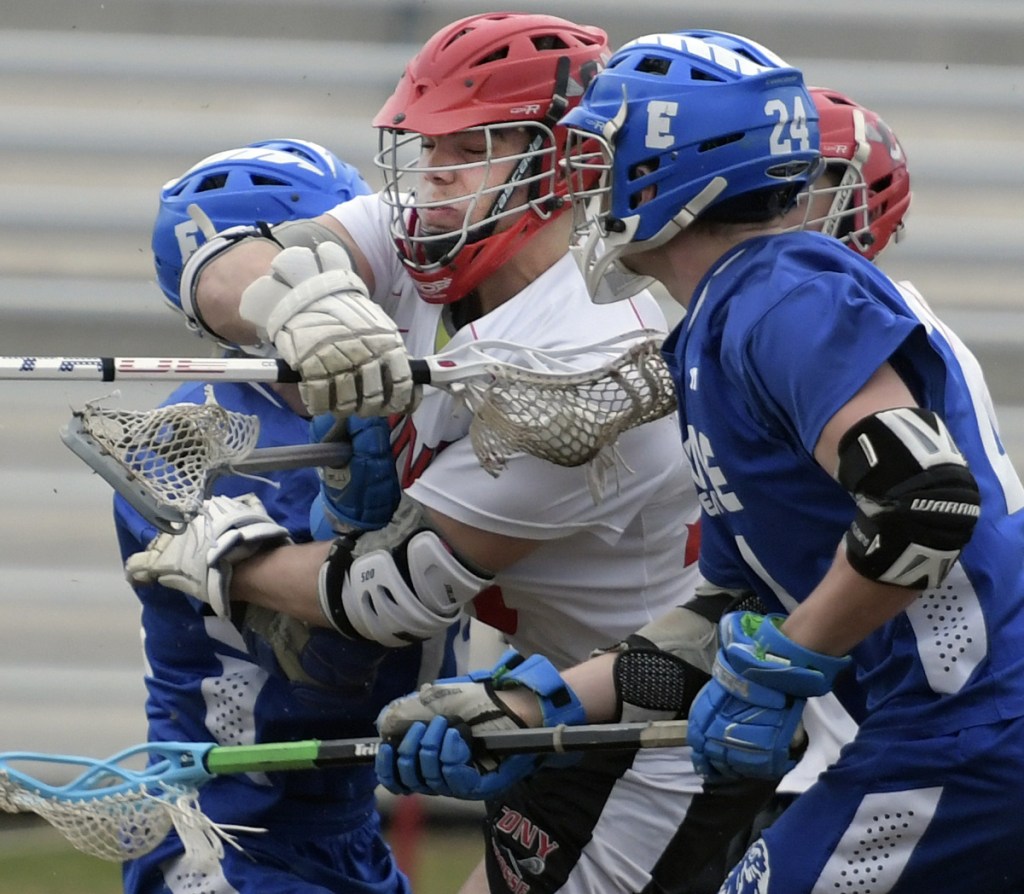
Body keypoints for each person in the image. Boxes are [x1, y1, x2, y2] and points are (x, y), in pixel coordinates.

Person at [121, 14, 793, 894]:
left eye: (463, 153)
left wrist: (234, 564)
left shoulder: (593, 352)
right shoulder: (433, 233)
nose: (429, 186)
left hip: (646, 731)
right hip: (543, 693)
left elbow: (391, 594)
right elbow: (226, 259)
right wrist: (297, 302)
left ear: (559, 161)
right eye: (423, 154)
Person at [374, 31, 1024, 893]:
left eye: (603, 156)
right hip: (948, 732)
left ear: (668, 169)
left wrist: (787, 663)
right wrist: (534, 708)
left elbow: (923, 501)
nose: (584, 185)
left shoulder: (780, 291)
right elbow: (723, 619)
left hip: (971, 728)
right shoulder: (716, 325)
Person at [118, 138, 447, 894]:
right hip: (229, 835)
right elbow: (333, 667)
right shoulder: (188, 438)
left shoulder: (393, 402)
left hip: (345, 827)